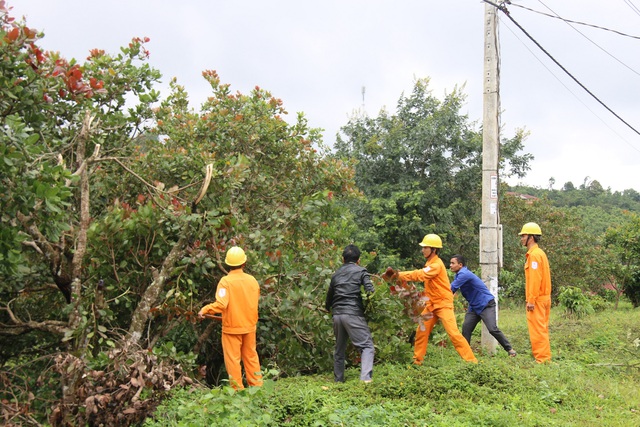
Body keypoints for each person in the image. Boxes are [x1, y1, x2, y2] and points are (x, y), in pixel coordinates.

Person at [396, 234, 477, 364]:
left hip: (443, 303)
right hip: (431, 304)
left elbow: (420, 275)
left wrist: (399, 275)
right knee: (421, 330)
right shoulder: (430, 263)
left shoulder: (436, 265)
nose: (422, 250)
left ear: (434, 250)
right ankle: (417, 361)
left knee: (453, 334)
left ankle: (472, 361)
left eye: (425, 248)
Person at [198, 246, 263, 389]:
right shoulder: (252, 281)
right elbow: (253, 301)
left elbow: (221, 304)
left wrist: (205, 309)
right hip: (249, 327)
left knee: (233, 360)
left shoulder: (225, 282)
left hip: (232, 329)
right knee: (251, 357)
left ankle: (238, 391)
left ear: (228, 264)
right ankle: (258, 387)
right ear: (244, 263)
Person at [325, 244, 375, 383]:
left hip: (337, 315)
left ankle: (338, 381)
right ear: (358, 260)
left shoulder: (336, 275)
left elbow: (329, 296)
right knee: (367, 346)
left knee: (339, 349)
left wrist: (327, 308)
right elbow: (370, 290)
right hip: (353, 313)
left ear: (343, 259)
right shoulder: (361, 271)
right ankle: (365, 380)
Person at [449, 254, 516, 356]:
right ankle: (465, 354)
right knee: (466, 328)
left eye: (453, 263)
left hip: (486, 304)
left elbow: (450, 289)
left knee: (492, 329)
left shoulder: (463, 274)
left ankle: (510, 350)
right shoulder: (458, 274)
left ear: (460, 265)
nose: (450, 265)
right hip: (474, 306)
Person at [519, 222, 552, 363]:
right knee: (542, 329)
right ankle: (544, 358)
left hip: (537, 299)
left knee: (537, 331)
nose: (521, 238)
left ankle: (542, 360)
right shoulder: (540, 253)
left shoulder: (534, 256)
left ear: (531, 238)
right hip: (544, 298)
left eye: (524, 235)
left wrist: (531, 300)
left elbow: (535, 279)